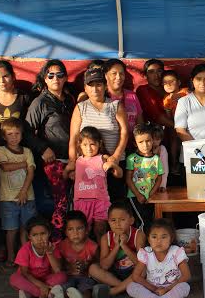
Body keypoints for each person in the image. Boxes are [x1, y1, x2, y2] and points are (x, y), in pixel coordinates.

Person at [68, 66, 129, 204]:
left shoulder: (115, 106)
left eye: (99, 85)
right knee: (90, 205)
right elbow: (74, 138)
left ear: (105, 86)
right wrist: (73, 164)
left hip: (112, 165)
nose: (95, 89)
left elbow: (124, 132)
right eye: (91, 85)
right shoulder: (80, 108)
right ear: (85, 88)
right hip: (88, 167)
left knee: (115, 205)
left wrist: (115, 157)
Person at [26, 60, 76, 228]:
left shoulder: (70, 100)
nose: (56, 78)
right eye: (51, 75)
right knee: (58, 204)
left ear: (66, 78)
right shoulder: (39, 103)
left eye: (60, 75)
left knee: (71, 203)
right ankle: (55, 243)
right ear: (45, 79)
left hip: (72, 161)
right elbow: (26, 131)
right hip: (52, 163)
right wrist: (43, 148)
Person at [0, 117, 37, 267]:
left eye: (17, 133)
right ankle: (11, 257)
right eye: (10, 134)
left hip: (28, 196)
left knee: (25, 229)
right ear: (4, 136)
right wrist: (23, 164)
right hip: (8, 198)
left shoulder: (28, 151)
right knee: (11, 230)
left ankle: (26, 259)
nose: (14, 137)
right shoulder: (0, 151)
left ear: (22, 134)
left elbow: (31, 172)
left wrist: (24, 191)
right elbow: (5, 167)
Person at [127, 218, 191, 298]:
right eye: (154, 237)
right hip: (151, 289)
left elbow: (187, 276)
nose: (158, 241)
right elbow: (135, 276)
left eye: (163, 237)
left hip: (171, 288)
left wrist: (166, 289)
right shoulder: (146, 253)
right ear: (149, 239)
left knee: (185, 287)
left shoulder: (176, 251)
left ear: (171, 238)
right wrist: (154, 288)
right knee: (131, 287)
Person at [72, 126, 122, 237]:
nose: (89, 148)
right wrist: (68, 172)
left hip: (100, 201)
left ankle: (103, 254)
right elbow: (67, 175)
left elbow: (120, 174)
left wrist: (113, 165)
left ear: (99, 143)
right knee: (82, 233)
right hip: (81, 201)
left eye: (92, 144)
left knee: (100, 231)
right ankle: (87, 254)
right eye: (85, 145)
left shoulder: (103, 158)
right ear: (80, 145)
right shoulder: (77, 160)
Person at [88, 202, 146, 297]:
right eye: (113, 220)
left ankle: (113, 291)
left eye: (122, 220)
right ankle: (123, 287)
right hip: (114, 275)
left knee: (143, 270)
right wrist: (116, 246)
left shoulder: (138, 235)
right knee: (93, 268)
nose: (117, 224)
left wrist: (124, 246)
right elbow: (105, 266)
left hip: (133, 272)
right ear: (108, 221)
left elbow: (140, 263)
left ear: (131, 220)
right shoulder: (105, 238)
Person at [10, 216, 68, 298]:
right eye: (35, 235)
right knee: (14, 278)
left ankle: (29, 293)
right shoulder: (25, 249)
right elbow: (25, 273)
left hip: (46, 278)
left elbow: (57, 270)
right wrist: (42, 286)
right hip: (29, 279)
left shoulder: (52, 248)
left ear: (48, 233)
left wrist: (49, 253)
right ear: (29, 236)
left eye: (43, 234)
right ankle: (49, 294)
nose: (39, 238)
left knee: (62, 276)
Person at [57, 210, 108, 298]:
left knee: (86, 288)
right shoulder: (62, 246)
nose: (75, 233)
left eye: (79, 228)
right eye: (71, 229)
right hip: (69, 276)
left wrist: (87, 266)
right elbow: (59, 265)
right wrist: (69, 267)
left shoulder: (92, 246)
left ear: (87, 229)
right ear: (66, 232)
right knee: (65, 286)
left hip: (85, 277)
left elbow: (99, 264)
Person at [126, 123, 164, 233]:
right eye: (141, 142)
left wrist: (151, 194)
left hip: (150, 198)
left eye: (148, 141)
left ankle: (147, 246)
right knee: (143, 222)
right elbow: (128, 179)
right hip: (135, 196)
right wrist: (138, 195)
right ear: (135, 143)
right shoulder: (131, 158)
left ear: (153, 140)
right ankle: (142, 247)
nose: (145, 145)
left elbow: (159, 178)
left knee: (149, 221)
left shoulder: (156, 159)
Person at [104, 59, 143, 139]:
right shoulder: (101, 96)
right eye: (114, 73)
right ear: (106, 75)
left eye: (121, 73)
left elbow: (140, 123)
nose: (118, 77)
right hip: (110, 144)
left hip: (132, 144)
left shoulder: (132, 95)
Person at [136, 59, 171, 130]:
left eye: (159, 71)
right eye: (151, 72)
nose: (156, 75)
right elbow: (157, 116)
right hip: (153, 133)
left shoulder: (169, 89)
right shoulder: (143, 90)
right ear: (145, 75)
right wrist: (180, 128)